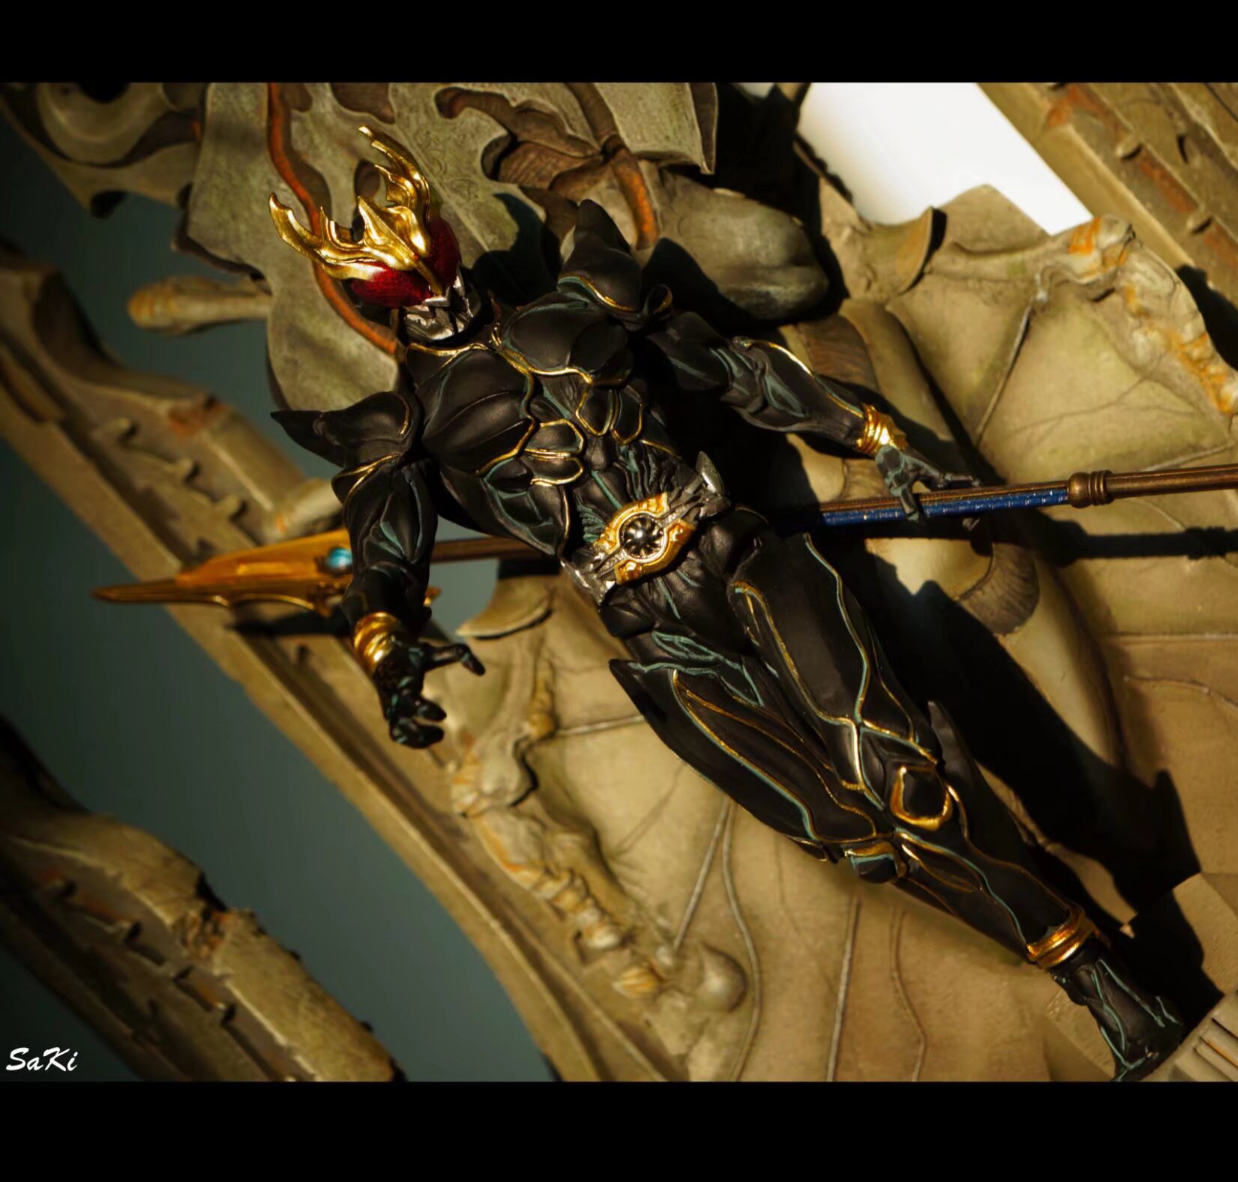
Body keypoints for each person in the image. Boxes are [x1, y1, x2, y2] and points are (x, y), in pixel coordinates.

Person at [270, 126, 1184, 1078]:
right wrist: (383, 644)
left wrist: (874, 435)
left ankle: (1100, 983)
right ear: (380, 305)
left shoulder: (585, 303)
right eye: (415, 292)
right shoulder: (402, 431)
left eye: (443, 268)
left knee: (901, 778)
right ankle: (1084, 956)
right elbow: (384, 556)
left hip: (739, 556)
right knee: (858, 837)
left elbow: (740, 373)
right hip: (660, 638)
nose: (446, 295)